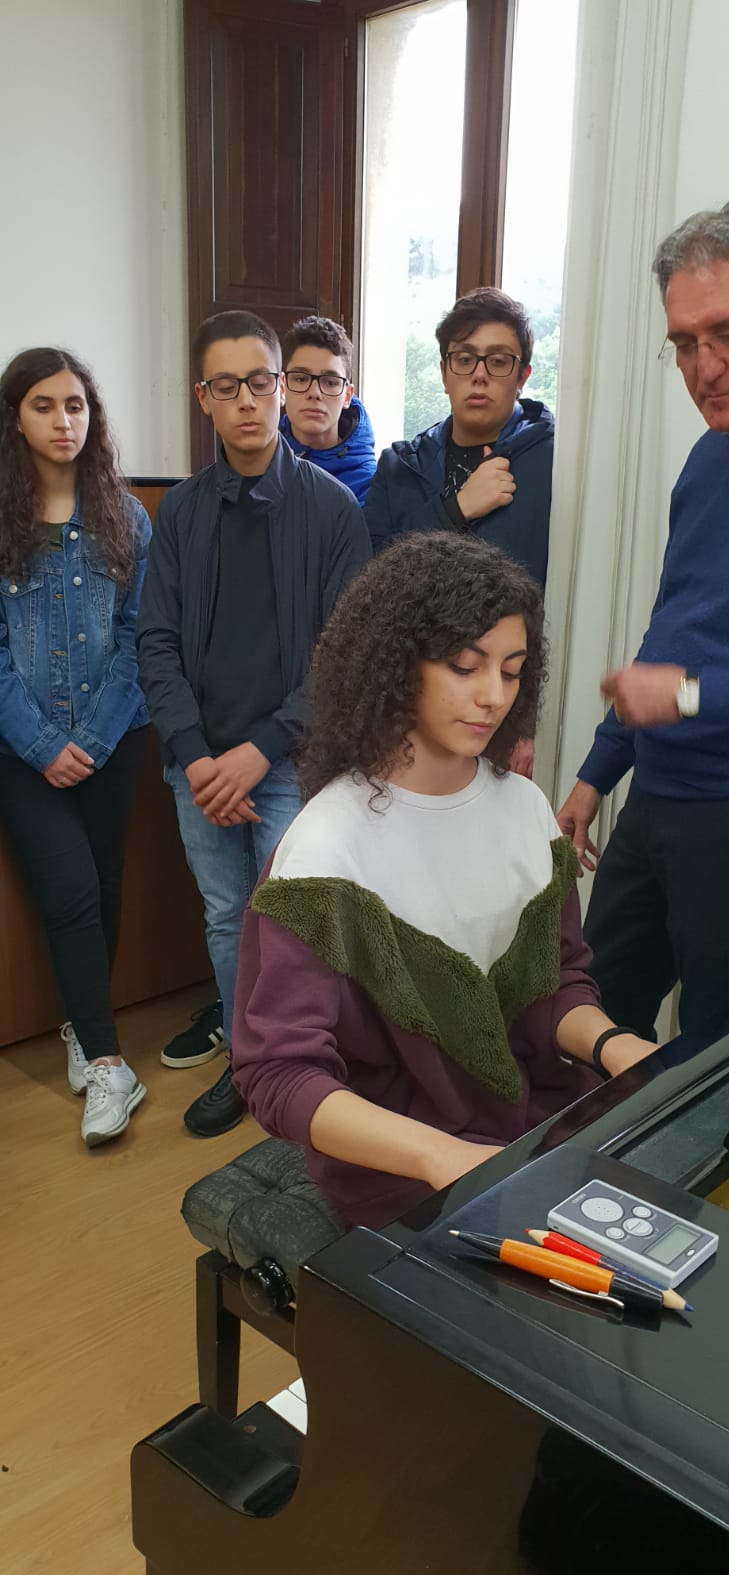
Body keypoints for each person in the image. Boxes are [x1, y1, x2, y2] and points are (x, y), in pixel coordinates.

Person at [230, 532, 655, 1229]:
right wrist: (440, 1156)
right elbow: (278, 1075)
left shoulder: (524, 809)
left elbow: (557, 983)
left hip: (538, 1121)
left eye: (511, 672)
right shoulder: (324, 852)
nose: (492, 697)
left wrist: (617, 1046)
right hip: (404, 1168)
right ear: (396, 666)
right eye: (464, 666)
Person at [137, 309, 371, 1139]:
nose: (247, 400)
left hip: (286, 761)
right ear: (204, 396)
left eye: (260, 382)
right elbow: (155, 640)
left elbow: (344, 654)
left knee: (293, 921)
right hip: (198, 765)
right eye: (227, 385)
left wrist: (259, 751)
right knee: (225, 916)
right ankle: (247, 1066)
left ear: (280, 387)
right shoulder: (180, 512)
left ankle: (300, 1072)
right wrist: (196, 754)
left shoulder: (332, 510)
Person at [557, 193, 729, 1040]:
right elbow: (671, 631)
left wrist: (685, 697)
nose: (702, 367)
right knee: (588, 1020)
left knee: (718, 1061)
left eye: (728, 333)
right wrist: (596, 771)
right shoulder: (708, 457)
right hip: (655, 800)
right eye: (683, 343)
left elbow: (675, 680)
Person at [0, 347, 150, 1145]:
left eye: (76, 405)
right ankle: (108, 1064)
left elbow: (140, 638)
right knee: (69, 892)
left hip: (113, 738)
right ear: (15, 419)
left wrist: (88, 740)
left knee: (104, 881)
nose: (64, 420)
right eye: (44, 405)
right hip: (20, 748)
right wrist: (42, 743)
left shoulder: (128, 517)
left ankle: (79, 1024)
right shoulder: (2, 522)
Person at [363, 287, 553, 588]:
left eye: (498, 361)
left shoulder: (554, 464)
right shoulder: (398, 468)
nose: (479, 375)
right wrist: (455, 511)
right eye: (464, 359)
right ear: (444, 374)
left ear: (523, 377)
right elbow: (370, 579)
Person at [280, 316, 377, 505]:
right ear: (283, 387)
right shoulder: (259, 463)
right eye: (301, 379)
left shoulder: (372, 486)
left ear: (347, 396)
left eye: (330, 382)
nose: (314, 393)